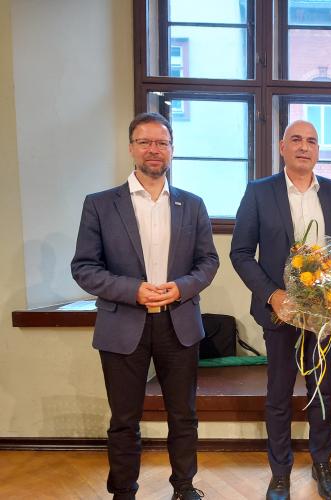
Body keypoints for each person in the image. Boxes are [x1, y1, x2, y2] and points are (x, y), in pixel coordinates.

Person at [71, 112, 219, 500]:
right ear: (131, 147)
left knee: (184, 417)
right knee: (124, 420)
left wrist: (182, 287)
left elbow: (208, 262)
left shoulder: (193, 204)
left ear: (172, 150)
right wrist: (133, 290)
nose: (154, 150)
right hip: (123, 325)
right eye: (145, 142)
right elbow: (84, 268)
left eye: (162, 143)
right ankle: (123, 491)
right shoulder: (100, 205)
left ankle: (184, 487)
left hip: (179, 323)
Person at [230, 120, 331, 500]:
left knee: (322, 389)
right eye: (297, 140)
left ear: (318, 151)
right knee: (279, 391)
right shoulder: (259, 192)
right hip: (280, 312)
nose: (305, 147)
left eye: (312, 141)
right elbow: (240, 253)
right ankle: (280, 471)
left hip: (325, 312)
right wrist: (272, 294)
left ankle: (322, 462)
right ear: (282, 147)